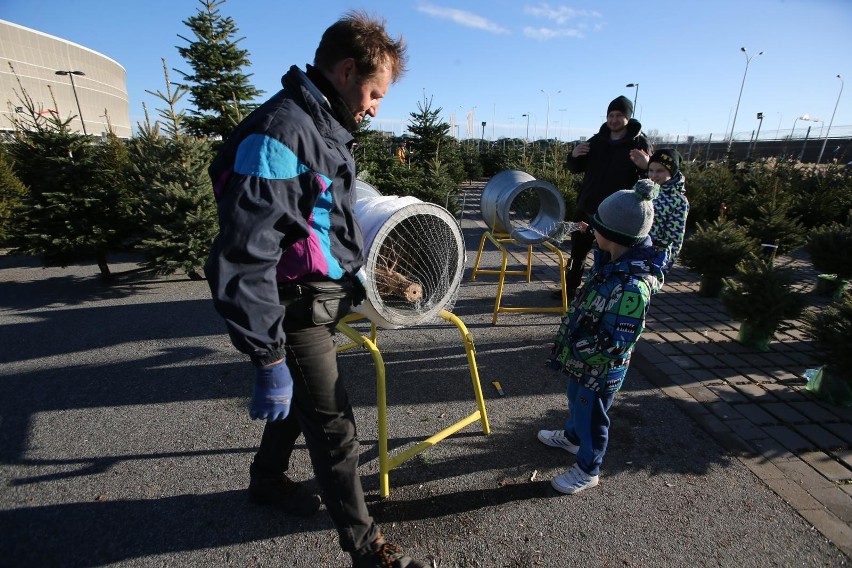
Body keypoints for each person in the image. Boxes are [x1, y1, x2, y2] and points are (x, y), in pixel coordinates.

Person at [204, 11, 429, 568]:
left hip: (321, 298)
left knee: (302, 405)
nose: (376, 106)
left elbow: (323, 223)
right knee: (335, 429)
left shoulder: (321, 126)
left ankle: (265, 481)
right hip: (294, 309)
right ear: (347, 70)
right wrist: (267, 353)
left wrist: (375, 277)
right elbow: (242, 252)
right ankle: (367, 549)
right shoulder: (282, 132)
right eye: (375, 92)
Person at [538, 179, 664, 494]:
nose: (592, 231)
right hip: (584, 364)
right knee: (575, 401)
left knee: (592, 415)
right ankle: (572, 438)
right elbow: (606, 244)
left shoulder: (632, 287)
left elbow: (616, 342)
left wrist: (578, 351)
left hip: (599, 369)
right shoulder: (614, 260)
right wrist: (591, 232)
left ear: (613, 235)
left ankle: (588, 467)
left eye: (597, 227)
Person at [558, 95, 651, 300]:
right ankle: (569, 288)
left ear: (628, 117)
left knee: (611, 253)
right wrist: (573, 156)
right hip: (588, 204)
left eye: (619, 115)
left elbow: (649, 179)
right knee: (578, 249)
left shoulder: (638, 143)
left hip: (616, 211)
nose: (614, 119)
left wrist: (646, 167)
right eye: (611, 115)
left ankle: (607, 292)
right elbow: (576, 168)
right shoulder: (597, 141)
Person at [644, 148, 689, 272]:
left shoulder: (678, 200)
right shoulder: (643, 190)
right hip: (630, 250)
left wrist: (662, 265)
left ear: (672, 172)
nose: (653, 175)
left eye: (660, 171)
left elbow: (675, 238)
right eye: (651, 170)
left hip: (651, 257)